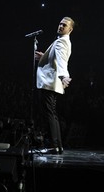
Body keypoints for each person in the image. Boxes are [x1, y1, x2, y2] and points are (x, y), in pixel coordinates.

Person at [35, 16, 75, 154]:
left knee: (50, 114)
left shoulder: (62, 42)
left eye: (64, 25)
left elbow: (62, 60)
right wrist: (44, 56)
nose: (61, 26)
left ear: (70, 29)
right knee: (52, 114)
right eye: (60, 24)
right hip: (52, 83)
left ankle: (54, 145)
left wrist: (64, 76)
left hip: (50, 83)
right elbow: (55, 58)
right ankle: (57, 145)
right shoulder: (62, 41)